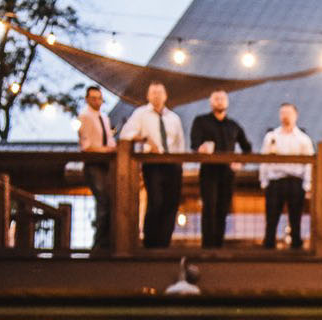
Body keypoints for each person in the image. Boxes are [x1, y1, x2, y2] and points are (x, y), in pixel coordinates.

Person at [118, 81, 184, 248]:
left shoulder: (174, 118)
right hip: (152, 163)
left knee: (171, 203)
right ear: (148, 96)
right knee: (156, 201)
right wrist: (145, 139)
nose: (157, 96)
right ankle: (150, 243)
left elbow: (180, 143)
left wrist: (179, 164)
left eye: (159, 92)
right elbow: (125, 134)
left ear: (165, 96)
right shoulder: (140, 114)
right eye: (153, 92)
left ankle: (164, 244)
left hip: (172, 164)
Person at [190, 90, 251, 248]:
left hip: (227, 173)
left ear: (227, 102)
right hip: (208, 171)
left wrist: (240, 163)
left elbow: (247, 148)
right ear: (211, 102)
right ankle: (207, 247)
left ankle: (218, 246)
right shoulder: (201, 121)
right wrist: (200, 149)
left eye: (222, 98)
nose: (219, 101)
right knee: (209, 208)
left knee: (223, 209)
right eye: (216, 99)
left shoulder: (233, 125)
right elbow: (194, 144)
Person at [259, 102, 312, 250]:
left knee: (296, 216)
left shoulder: (303, 139)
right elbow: (263, 160)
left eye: (288, 113)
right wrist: (264, 181)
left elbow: (309, 164)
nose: (285, 116)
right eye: (282, 113)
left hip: (295, 181)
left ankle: (296, 245)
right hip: (275, 181)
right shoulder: (271, 137)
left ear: (296, 115)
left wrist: (307, 184)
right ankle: (269, 244)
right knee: (271, 215)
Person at [76, 85, 115, 250]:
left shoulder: (104, 117)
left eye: (99, 98)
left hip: (106, 164)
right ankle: (98, 244)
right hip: (93, 163)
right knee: (103, 201)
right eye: (93, 98)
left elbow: (110, 140)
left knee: (107, 202)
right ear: (87, 99)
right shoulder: (84, 117)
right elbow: (85, 146)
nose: (97, 101)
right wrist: (104, 150)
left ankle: (104, 242)